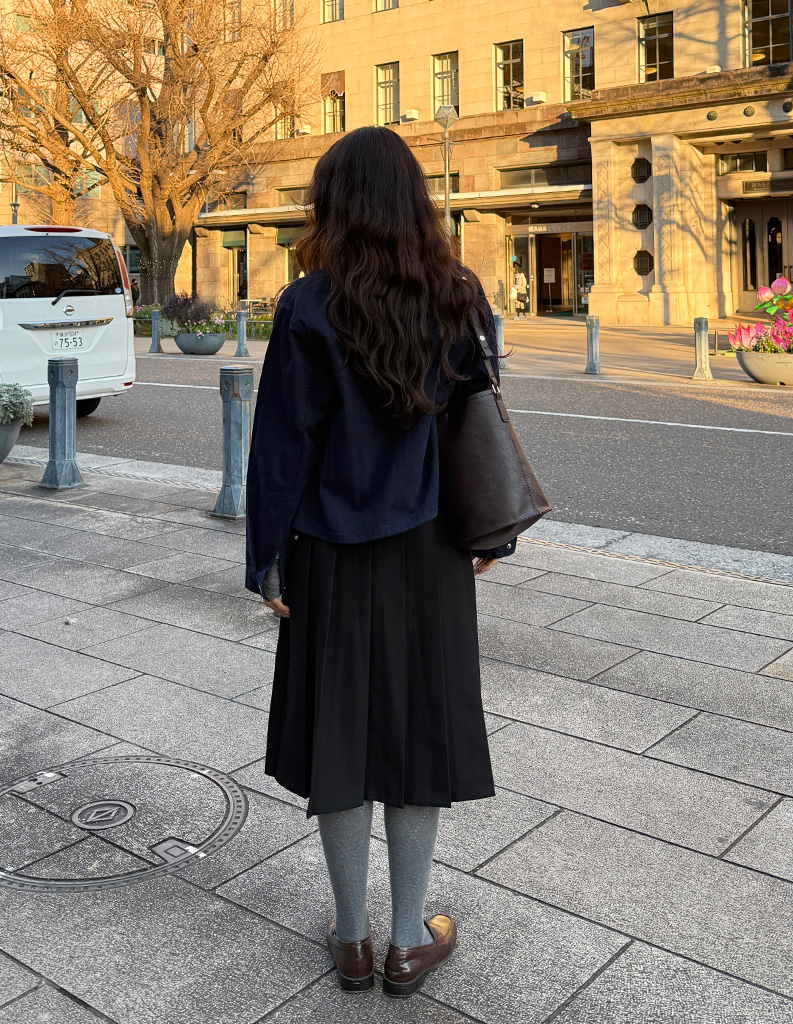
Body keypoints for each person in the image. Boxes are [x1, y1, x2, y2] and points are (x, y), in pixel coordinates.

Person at [245, 125, 517, 999]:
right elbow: (479, 426)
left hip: (328, 548)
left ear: (335, 203)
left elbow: (281, 443)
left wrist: (267, 559)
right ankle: (408, 942)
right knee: (417, 732)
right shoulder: (458, 296)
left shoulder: (308, 303)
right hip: (431, 550)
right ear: (412, 200)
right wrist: (490, 535)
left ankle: (352, 940)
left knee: (339, 735)